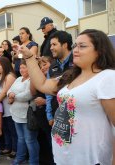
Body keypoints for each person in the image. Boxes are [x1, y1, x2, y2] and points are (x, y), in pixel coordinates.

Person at [20, 29, 115, 165]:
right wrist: (29, 57)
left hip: (91, 159)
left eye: (82, 46)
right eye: (75, 45)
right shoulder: (71, 75)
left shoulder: (107, 78)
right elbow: (42, 84)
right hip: (64, 157)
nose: (75, 50)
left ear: (99, 50)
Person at [7, 59, 39, 165]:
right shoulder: (19, 79)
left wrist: (14, 96)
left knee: (30, 140)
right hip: (16, 113)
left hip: (27, 115)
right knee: (20, 138)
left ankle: (33, 162)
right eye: (20, 67)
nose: (21, 70)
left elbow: (28, 95)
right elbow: (9, 90)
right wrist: (11, 94)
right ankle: (20, 158)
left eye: (24, 67)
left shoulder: (32, 80)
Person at [0, 57, 17, 158]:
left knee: (12, 129)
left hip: (9, 108)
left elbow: (4, 93)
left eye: (0, 65)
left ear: (5, 65)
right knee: (5, 129)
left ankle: (15, 149)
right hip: (1, 108)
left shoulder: (10, 76)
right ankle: (7, 147)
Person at [46, 31, 73, 126]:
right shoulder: (52, 66)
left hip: (76, 116)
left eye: (54, 44)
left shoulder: (78, 61)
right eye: (50, 45)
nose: (51, 48)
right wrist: (49, 115)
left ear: (65, 45)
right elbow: (48, 94)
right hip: (57, 115)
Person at [34, 56, 55, 165]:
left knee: (54, 145)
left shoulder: (56, 78)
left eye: (45, 64)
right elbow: (33, 91)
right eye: (40, 66)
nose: (42, 68)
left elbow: (63, 99)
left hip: (53, 119)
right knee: (48, 144)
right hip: (43, 118)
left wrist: (45, 101)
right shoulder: (42, 79)